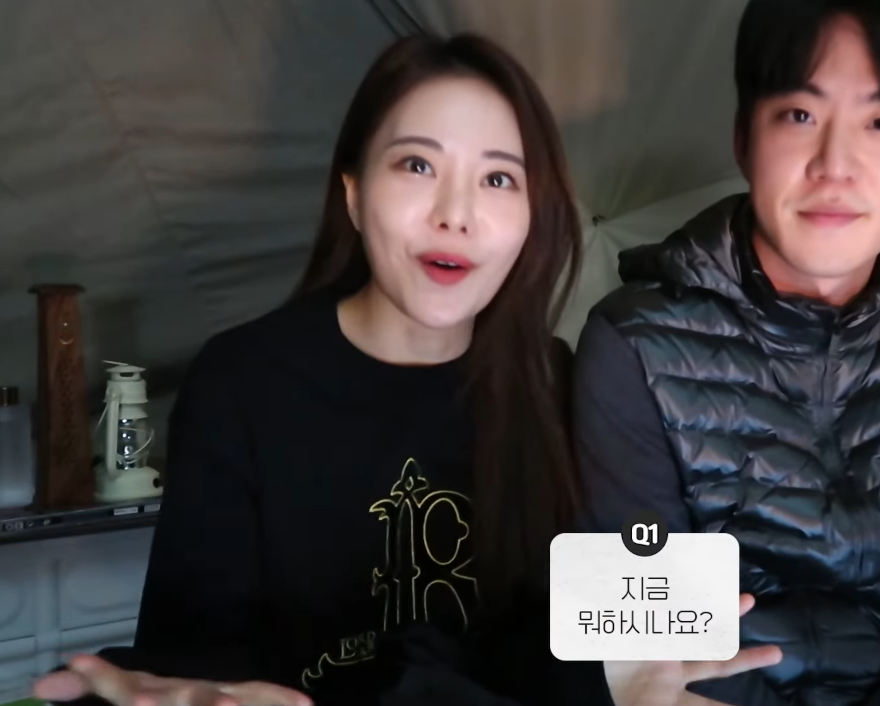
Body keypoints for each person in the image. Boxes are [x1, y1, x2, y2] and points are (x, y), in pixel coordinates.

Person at [31, 31, 780, 706]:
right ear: (353, 193)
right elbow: (191, 664)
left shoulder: (557, 382)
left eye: (498, 179)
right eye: (417, 165)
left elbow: (599, 639)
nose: (455, 213)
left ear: (533, 217)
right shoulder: (242, 385)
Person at [571, 1, 880, 705]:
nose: (835, 166)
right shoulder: (632, 347)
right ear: (743, 137)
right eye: (799, 115)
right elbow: (646, 637)